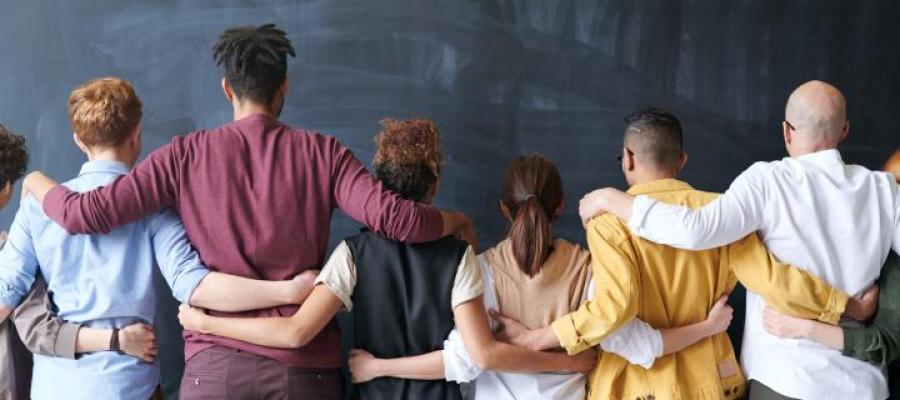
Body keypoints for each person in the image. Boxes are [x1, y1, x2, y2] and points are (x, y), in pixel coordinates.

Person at [22, 24, 475, 399]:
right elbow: (400, 221)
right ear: (283, 88)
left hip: (213, 374)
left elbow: (86, 214)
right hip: (305, 376)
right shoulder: (324, 154)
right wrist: (456, 221)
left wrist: (35, 180)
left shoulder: (184, 155)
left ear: (227, 89)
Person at [177, 119, 597, 400]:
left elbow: (295, 331)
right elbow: (476, 354)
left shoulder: (352, 255)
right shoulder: (461, 257)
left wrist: (207, 323)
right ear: (434, 186)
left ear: (377, 183)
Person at [497, 108, 872, 400]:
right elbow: (774, 280)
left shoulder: (608, 222)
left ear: (628, 158)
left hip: (634, 389)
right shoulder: (722, 214)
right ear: (681, 161)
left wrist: (539, 337)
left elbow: (613, 308)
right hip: (709, 384)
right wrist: (842, 305)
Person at [0, 77, 317, 400]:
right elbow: (194, 286)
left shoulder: (35, 209)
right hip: (129, 388)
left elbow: (4, 298)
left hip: (55, 389)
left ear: (79, 140)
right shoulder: (155, 211)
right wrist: (287, 290)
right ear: (137, 132)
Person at [577, 82, 899, 399]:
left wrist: (610, 199)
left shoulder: (766, 183)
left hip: (786, 380)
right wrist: (859, 309)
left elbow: (697, 230)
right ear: (844, 131)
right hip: (863, 383)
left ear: (786, 131)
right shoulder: (886, 190)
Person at [344, 154, 738, 400]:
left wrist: (378, 367)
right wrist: (706, 327)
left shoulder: (480, 269)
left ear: (502, 208)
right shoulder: (590, 267)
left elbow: (462, 361)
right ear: (561, 206)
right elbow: (641, 346)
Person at [762, 151, 900, 393]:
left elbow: (883, 342)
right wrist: (852, 309)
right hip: (795, 376)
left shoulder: (893, 260)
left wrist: (804, 327)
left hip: (850, 383)